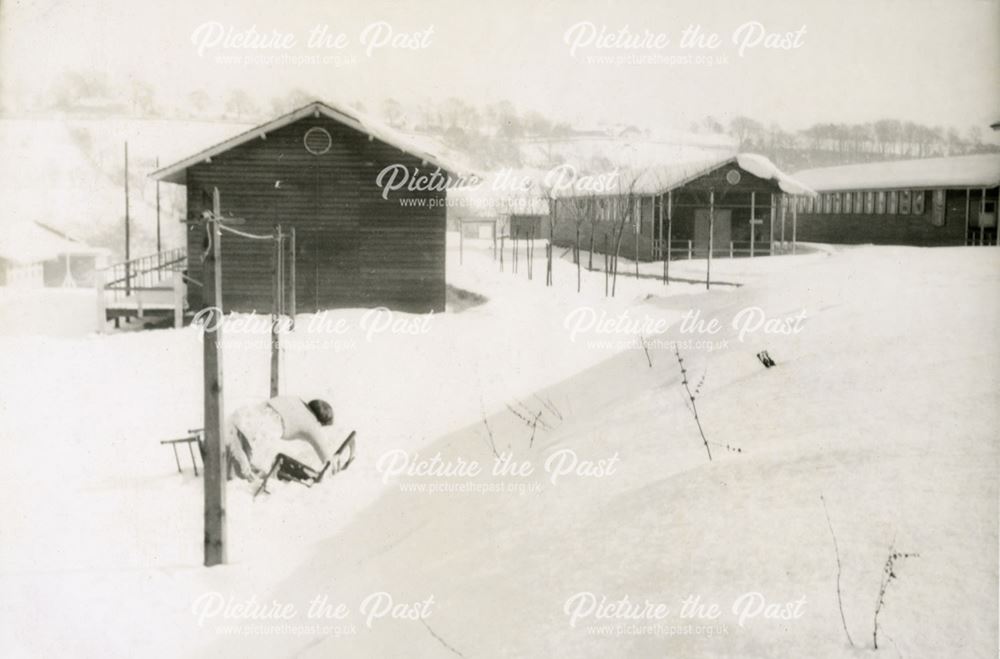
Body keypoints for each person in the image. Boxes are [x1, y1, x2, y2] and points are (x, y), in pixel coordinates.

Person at [226, 396, 352, 484]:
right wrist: (336, 466)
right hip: (262, 431)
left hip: (245, 415)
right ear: (321, 421)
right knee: (247, 473)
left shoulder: (296, 400)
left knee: (235, 454)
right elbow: (326, 457)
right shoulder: (312, 424)